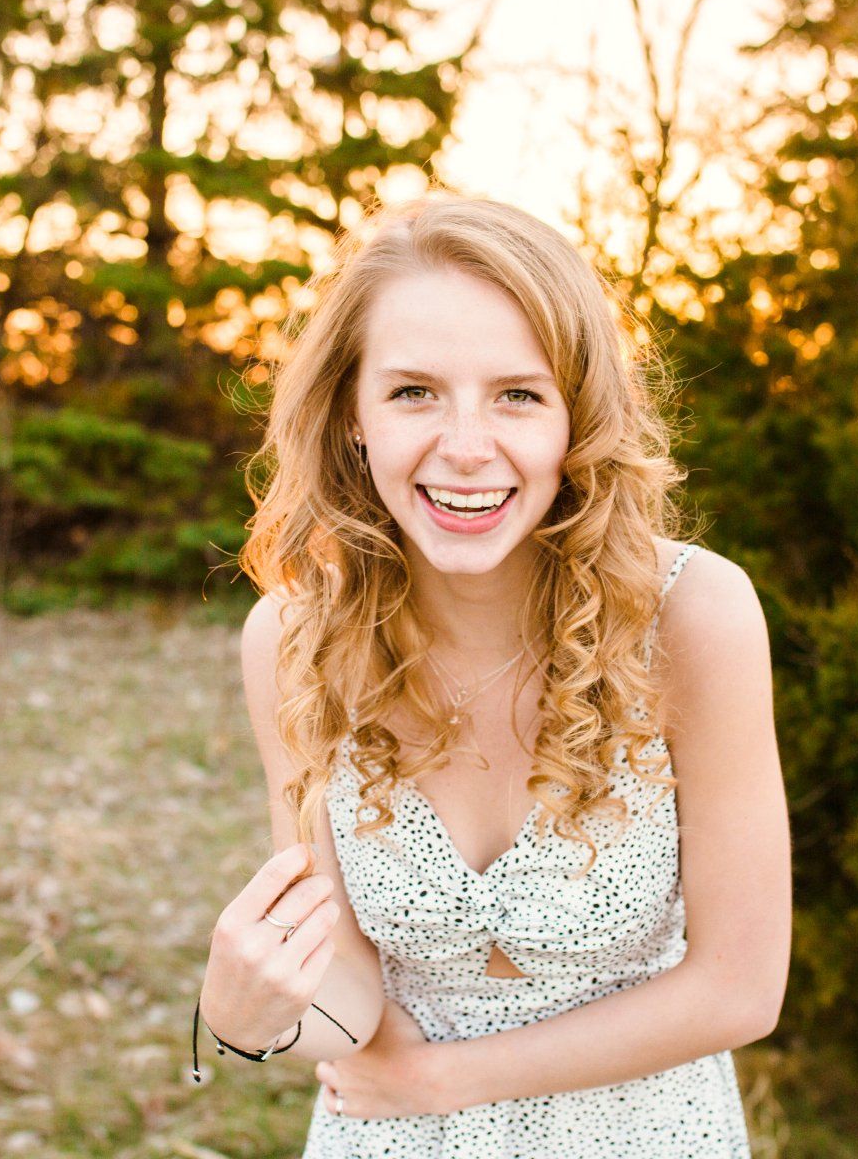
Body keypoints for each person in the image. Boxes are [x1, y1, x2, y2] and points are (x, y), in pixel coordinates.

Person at [193, 191, 791, 1157]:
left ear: (576, 418)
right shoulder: (292, 640)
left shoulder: (692, 616)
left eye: (518, 393)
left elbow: (741, 986)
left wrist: (444, 1082)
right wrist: (251, 1017)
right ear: (353, 415)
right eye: (413, 392)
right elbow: (346, 991)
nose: (466, 449)